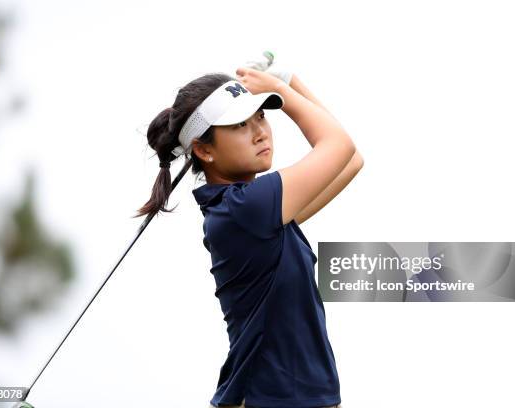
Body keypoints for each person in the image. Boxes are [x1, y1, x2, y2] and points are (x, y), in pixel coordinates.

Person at [136, 66, 363, 407]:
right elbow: (338, 145)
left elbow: (350, 159)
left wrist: (289, 82)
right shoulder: (247, 210)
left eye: (260, 117)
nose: (260, 133)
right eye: (240, 125)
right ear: (204, 150)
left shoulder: (253, 211)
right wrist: (281, 92)